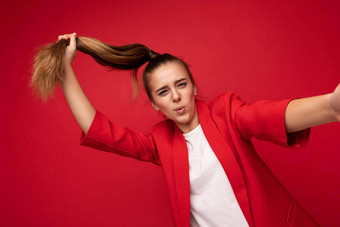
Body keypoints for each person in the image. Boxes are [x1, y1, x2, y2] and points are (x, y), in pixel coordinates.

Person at [31, 33, 340, 227]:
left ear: (193, 87)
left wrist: (330, 106)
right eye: (163, 92)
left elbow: (268, 116)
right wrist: (66, 69)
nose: (176, 96)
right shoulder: (160, 143)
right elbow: (100, 129)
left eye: (181, 84)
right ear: (154, 104)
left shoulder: (226, 113)